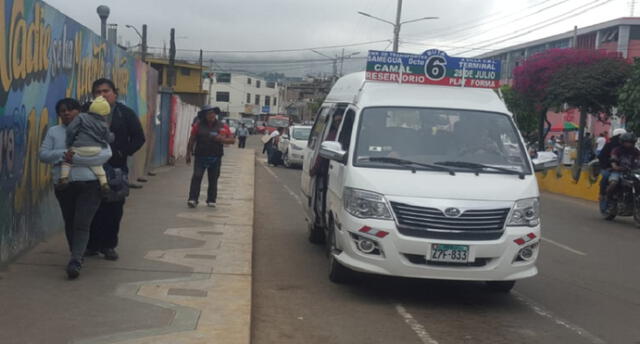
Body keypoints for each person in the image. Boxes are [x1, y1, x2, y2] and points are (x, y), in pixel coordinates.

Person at [40, 98, 112, 279]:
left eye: (71, 110)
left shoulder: (94, 127)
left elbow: (106, 154)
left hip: (90, 184)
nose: (66, 113)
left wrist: (75, 159)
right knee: (70, 220)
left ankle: (75, 260)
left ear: (79, 112)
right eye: (62, 110)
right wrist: (64, 154)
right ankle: (76, 252)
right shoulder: (54, 132)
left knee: (82, 223)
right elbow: (44, 154)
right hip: (64, 185)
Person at [87, 78, 146, 261]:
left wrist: (122, 152)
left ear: (115, 93)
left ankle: (109, 245)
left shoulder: (125, 113)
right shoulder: (85, 113)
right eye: (98, 92)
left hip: (116, 169)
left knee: (113, 209)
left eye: (106, 91)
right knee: (90, 208)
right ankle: (91, 245)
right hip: (89, 168)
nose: (102, 95)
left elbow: (139, 138)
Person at [59, 96, 113, 194]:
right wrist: (112, 137)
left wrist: (70, 142)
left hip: (80, 147)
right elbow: (108, 138)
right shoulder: (104, 124)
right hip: (96, 149)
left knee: (67, 159)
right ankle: (104, 183)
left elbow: (71, 130)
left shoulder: (81, 117)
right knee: (97, 165)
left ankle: (63, 178)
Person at [186, 105, 235, 208]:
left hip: (215, 157)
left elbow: (232, 140)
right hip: (200, 156)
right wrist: (188, 153)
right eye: (209, 113)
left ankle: (211, 200)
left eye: (213, 113)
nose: (211, 115)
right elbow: (192, 139)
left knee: (213, 179)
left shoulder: (222, 126)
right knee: (197, 176)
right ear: (204, 115)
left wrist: (222, 140)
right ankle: (193, 199)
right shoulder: (198, 125)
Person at [598, 128, 626, 213]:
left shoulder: (629, 147)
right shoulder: (610, 145)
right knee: (606, 177)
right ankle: (603, 196)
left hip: (625, 169)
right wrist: (609, 166)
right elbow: (601, 157)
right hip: (610, 168)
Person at [606, 133, 640, 203]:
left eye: (631, 142)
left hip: (632, 172)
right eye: (627, 142)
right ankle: (609, 199)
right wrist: (615, 166)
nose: (629, 144)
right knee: (613, 183)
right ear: (622, 142)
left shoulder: (636, 151)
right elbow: (613, 160)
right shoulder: (616, 150)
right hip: (618, 171)